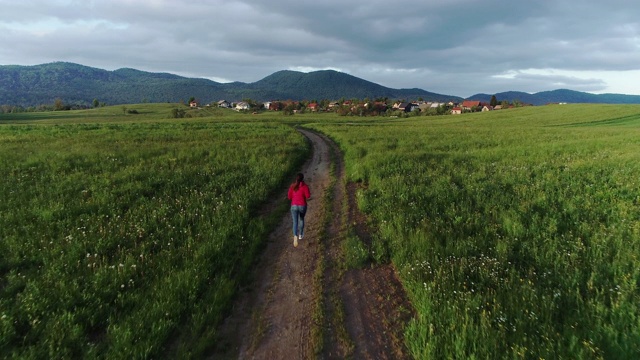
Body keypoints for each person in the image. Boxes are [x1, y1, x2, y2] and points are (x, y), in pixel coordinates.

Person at [287, 172, 311, 247]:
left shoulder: (292, 186)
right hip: (302, 206)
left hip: (293, 206)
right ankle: (300, 234)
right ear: (302, 179)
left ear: (296, 179)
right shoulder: (305, 186)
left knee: (295, 222)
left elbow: (289, 197)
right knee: (301, 219)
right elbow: (308, 196)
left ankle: (295, 236)